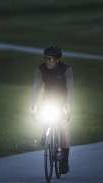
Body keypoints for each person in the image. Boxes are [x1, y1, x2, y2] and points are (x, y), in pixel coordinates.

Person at [31, 46, 74, 174]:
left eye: (49, 58)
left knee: (64, 129)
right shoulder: (41, 69)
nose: (47, 61)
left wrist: (68, 104)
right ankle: (45, 132)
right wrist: (33, 104)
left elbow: (70, 88)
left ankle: (64, 160)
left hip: (62, 101)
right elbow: (36, 87)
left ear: (56, 60)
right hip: (47, 100)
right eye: (45, 58)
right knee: (43, 115)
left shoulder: (66, 69)